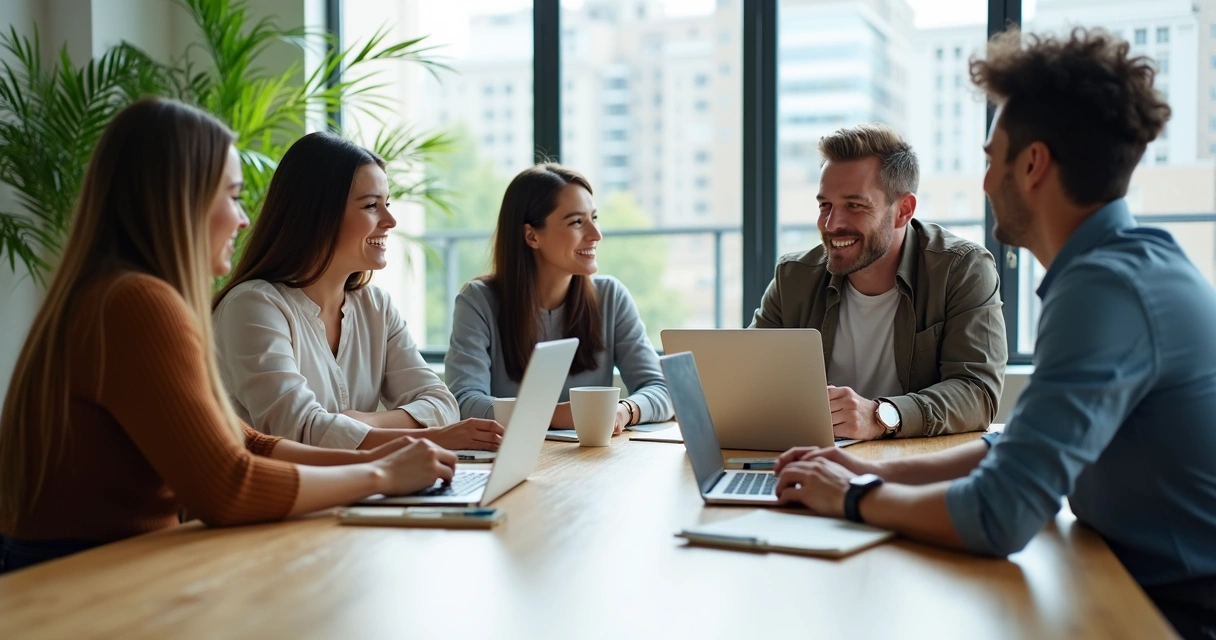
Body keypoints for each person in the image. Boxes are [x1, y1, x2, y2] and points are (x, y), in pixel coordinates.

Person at [773, 28, 1216, 640]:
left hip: (1172, 615)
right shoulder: (1123, 267)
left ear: (1031, 165)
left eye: (990, 158)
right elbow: (1013, 447)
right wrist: (858, 472)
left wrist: (850, 499)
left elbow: (999, 513)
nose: (984, 182)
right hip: (1128, 582)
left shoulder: (1105, 290)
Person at [0, 99, 457, 573]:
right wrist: (378, 473)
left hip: (112, 564)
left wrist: (383, 455)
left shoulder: (121, 294)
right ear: (182, 199)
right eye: (233, 196)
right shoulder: (135, 303)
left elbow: (246, 442)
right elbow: (227, 486)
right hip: (75, 576)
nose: (243, 219)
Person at [213, 133, 503, 452]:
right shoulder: (252, 306)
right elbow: (299, 431)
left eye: (387, 204)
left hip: (360, 491)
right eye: (371, 206)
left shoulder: (375, 306)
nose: (390, 220)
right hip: (283, 497)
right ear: (318, 215)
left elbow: (442, 404)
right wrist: (429, 438)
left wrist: (363, 421)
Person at [751, 124, 1006, 441]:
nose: (831, 224)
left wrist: (881, 415)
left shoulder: (962, 269)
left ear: (903, 210)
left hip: (914, 467)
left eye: (854, 205)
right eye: (825, 205)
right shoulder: (794, 276)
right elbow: (752, 380)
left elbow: (977, 393)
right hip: (816, 462)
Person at [445, 163, 673, 433]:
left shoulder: (611, 297)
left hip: (591, 459)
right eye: (577, 222)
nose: (596, 235)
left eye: (594, 218)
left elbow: (661, 389)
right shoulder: (478, 302)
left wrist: (624, 411)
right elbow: (463, 402)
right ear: (531, 235)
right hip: (514, 461)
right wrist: (554, 416)